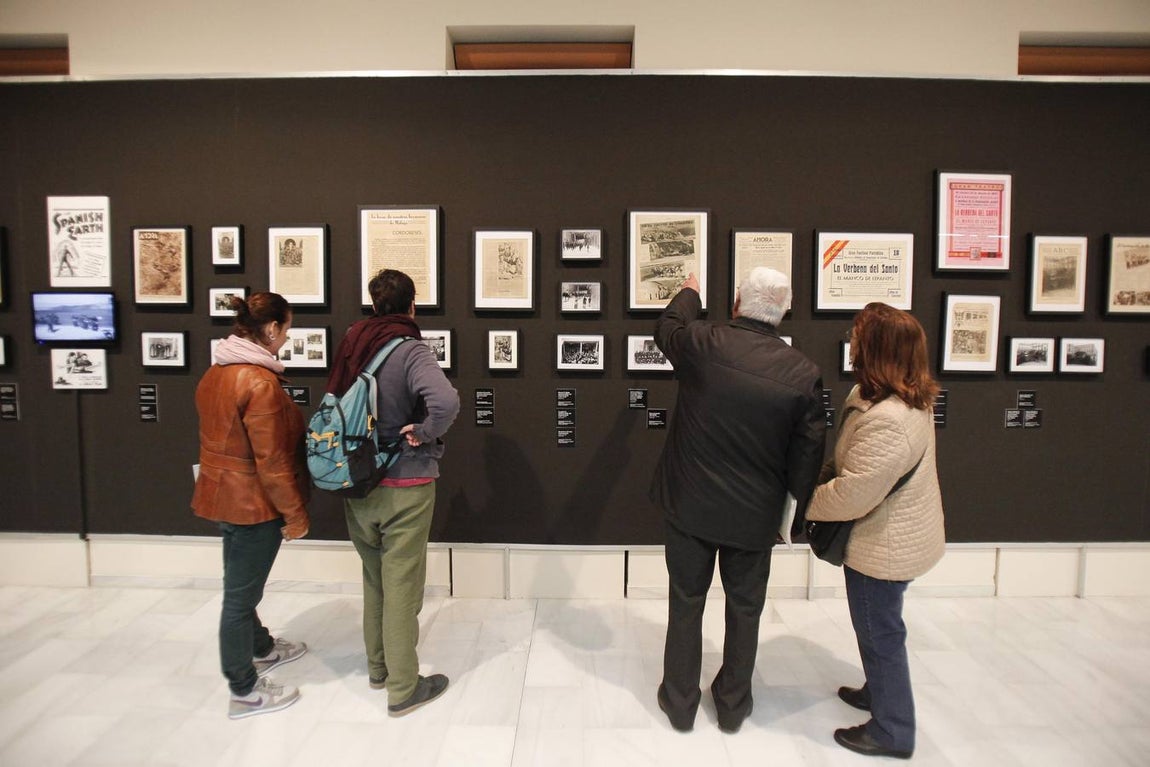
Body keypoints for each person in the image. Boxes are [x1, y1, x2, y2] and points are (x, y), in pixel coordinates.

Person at [650, 267, 826, 733]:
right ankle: (731, 705)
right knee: (745, 608)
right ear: (783, 313)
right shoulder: (803, 374)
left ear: (735, 304)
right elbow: (806, 458)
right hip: (755, 516)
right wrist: (794, 516)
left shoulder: (704, 344)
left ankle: (680, 702)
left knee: (685, 600)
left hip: (690, 505)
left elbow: (666, 326)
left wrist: (689, 291)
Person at [806, 302, 945, 759]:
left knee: (880, 633)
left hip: (884, 547)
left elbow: (854, 494)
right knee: (879, 627)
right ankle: (878, 692)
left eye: (860, 336)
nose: (852, 343)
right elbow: (848, 461)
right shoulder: (885, 397)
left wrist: (802, 503)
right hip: (893, 535)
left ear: (878, 349)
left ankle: (892, 729)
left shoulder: (890, 419)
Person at [328, 269, 460, 717]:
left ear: (373, 303)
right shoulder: (410, 350)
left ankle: (379, 668)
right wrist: (423, 433)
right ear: (412, 306)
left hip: (357, 482)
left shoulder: (352, 342)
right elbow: (446, 402)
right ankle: (404, 688)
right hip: (404, 482)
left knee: (374, 578)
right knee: (402, 584)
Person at [192, 292, 311, 720]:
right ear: (272, 329)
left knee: (240, 585)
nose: (286, 338)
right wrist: (295, 515)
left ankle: (260, 648)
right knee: (239, 598)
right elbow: (272, 462)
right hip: (253, 503)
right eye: (287, 329)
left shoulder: (217, 371)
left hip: (224, 494)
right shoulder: (259, 382)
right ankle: (244, 690)